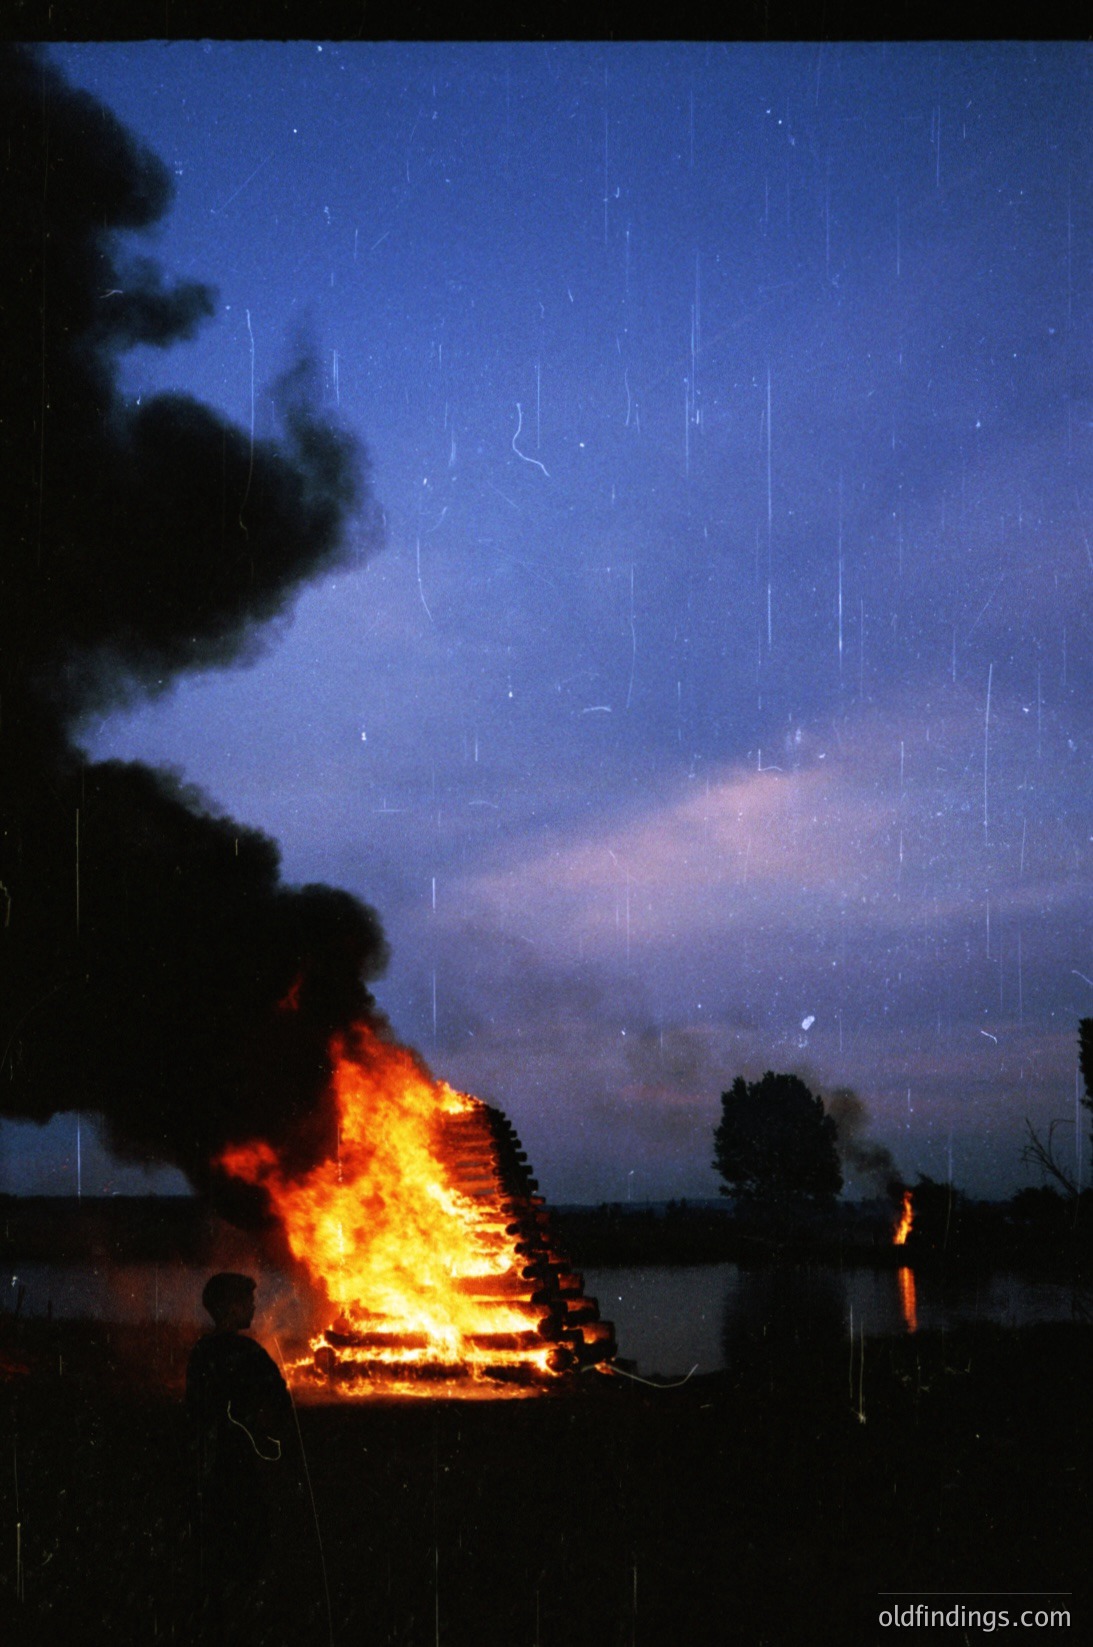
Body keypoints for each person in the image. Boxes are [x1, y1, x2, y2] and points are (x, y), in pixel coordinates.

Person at [186, 1272, 293, 1642]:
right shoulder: (248, 1355)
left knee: (221, 1546)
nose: (253, 1306)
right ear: (231, 1307)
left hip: (212, 1462)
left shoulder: (201, 1352)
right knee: (250, 1540)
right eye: (246, 1300)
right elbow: (278, 1402)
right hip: (241, 1464)